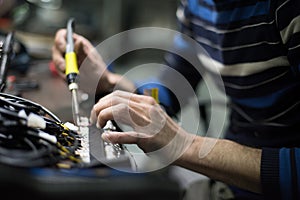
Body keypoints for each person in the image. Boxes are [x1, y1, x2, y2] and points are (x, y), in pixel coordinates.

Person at [52, 0, 300, 199]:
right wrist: (111, 81)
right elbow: (172, 88)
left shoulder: (288, 9)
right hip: (231, 181)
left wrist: (183, 145)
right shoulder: (197, 5)